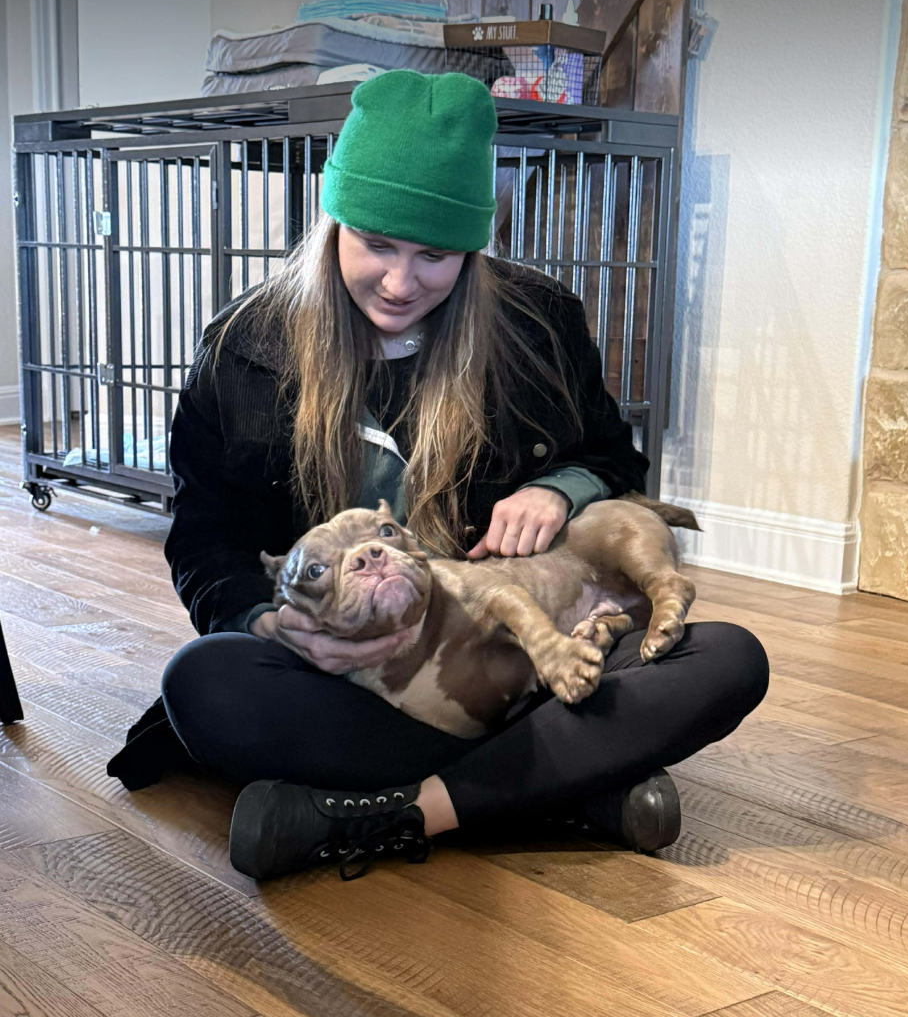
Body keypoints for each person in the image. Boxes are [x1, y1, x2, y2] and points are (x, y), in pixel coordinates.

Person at [107, 70, 768, 882]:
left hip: (516, 654)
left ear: (472, 250)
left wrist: (558, 490)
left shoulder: (540, 324)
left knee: (730, 659)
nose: (400, 282)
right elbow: (205, 542)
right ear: (334, 224)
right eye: (377, 244)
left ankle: (386, 813)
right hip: (356, 677)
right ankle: (555, 781)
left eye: (435, 255)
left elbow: (614, 459)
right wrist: (264, 623)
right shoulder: (244, 347)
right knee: (204, 683)